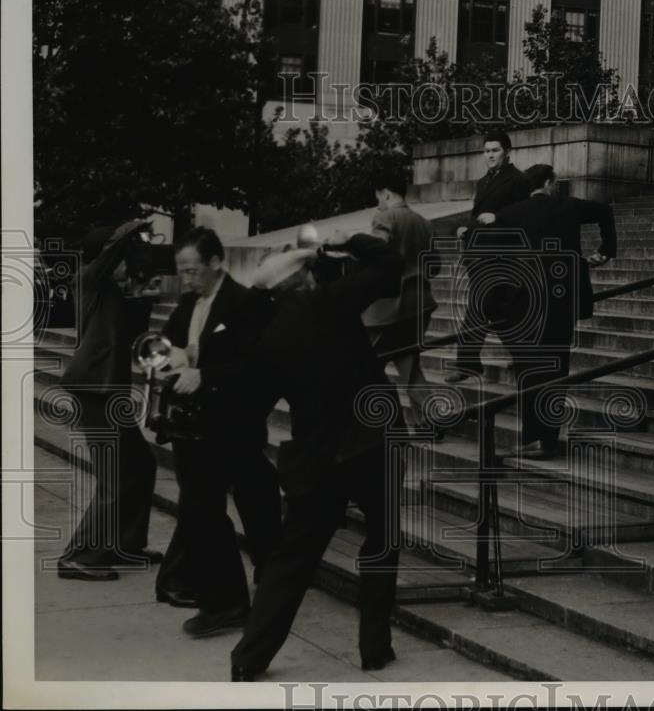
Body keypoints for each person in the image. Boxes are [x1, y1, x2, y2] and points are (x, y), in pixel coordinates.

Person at [229, 233, 404, 681]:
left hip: (317, 455)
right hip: (371, 441)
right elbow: (389, 265)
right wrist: (350, 241)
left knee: (294, 559)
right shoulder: (330, 301)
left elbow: (251, 400)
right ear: (306, 276)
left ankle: (251, 655)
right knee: (382, 541)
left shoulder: (268, 337)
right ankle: (375, 647)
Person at [155, 227, 282, 636]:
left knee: (229, 503)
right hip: (194, 424)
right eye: (182, 272)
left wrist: (204, 375)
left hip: (231, 421)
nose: (187, 280)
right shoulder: (190, 303)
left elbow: (258, 366)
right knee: (205, 507)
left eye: (192, 271)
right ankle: (224, 594)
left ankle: (239, 595)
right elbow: (167, 342)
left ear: (214, 262)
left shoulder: (245, 304)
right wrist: (163, 358)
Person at [483, 164, 617, 459]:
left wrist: (494, 307)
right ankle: (548, 439)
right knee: (557, 365)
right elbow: (605, 212)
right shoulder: (569, 206)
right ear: (548, 182)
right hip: (562, 299)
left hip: (525, 302)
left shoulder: (511, 214)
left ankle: (534, 437)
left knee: (529, 369)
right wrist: (606, 250)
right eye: (556, 182)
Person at [56, 220, 158, 581]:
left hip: (108, 388)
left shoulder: (108, 290)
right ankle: (80, 557)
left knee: (142, 465)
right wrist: (131, 230)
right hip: (92, 387)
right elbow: (111, 252)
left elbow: (127, 332)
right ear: (107, 257)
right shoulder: (87, 278)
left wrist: (139, 288)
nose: (126, 262)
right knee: (114, 477)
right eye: (122, 257)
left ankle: (126, 545)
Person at [444, 131, 529, 383]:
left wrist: (499, 218)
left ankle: (468, 363)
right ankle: (524, 359)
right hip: (480, 256)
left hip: (502, 258)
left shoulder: (518, 179)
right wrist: (467, 229)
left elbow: (525, 214)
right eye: (486, 151)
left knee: (478, 307)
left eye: (495, 150)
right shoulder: (484, 182)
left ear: (507, 151)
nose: (490, 155)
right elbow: (480, 214)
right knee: (499, 314)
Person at [362, 173, 440, 430]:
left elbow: (376, 257)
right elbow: (435, 266)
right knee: (410, 367)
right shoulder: (424, 223)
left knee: (362, 363)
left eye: (378, 198)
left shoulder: (384, 218)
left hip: (386, 309)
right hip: (418, 304)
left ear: (385, 193)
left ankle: (373, 422)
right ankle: (430, 420)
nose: (377, 204)